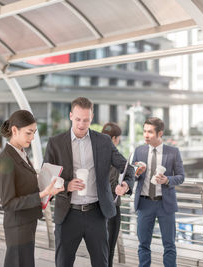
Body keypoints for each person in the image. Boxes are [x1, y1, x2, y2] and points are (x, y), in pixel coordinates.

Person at [44, 97, 135, 267]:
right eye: (78, 119)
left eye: (86, 120)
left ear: (91, 118)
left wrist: (126, 185)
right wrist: (66, 185)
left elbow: (128, 168)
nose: (81, 124)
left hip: (97, 215)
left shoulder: (104, 141)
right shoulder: (55, 143)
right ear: (71, 115)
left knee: (102, 263)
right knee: (63, 263)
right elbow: (47, 179)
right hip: (68, 214)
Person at [0, 110, 64, 267]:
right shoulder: (5, 160)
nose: (32, 138)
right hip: (17, 226)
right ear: (14, 130)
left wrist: (48, 191)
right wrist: (43, 194)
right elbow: (8, 203)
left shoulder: (21, 153)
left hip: (27, 223)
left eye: (34, 132)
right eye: (29, 133)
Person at [132, 117, 185, 267]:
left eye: (150, 132)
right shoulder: (139, 151)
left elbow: (181, 177)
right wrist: (135, 174)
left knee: (169, 245)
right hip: (144, 203)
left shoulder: (173, 152)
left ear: (160, 133)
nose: (146, 135)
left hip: (165, 204)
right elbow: (132, 177)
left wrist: (167, 180)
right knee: (143, 244)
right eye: (144, 131)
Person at [101, 122, 123, 267]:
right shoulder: (114, 156)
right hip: (112, 207)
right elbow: (112, 181)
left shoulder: (95, 153)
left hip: (97, 208)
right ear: (114, 138)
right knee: (109, 250)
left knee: (101, 250)